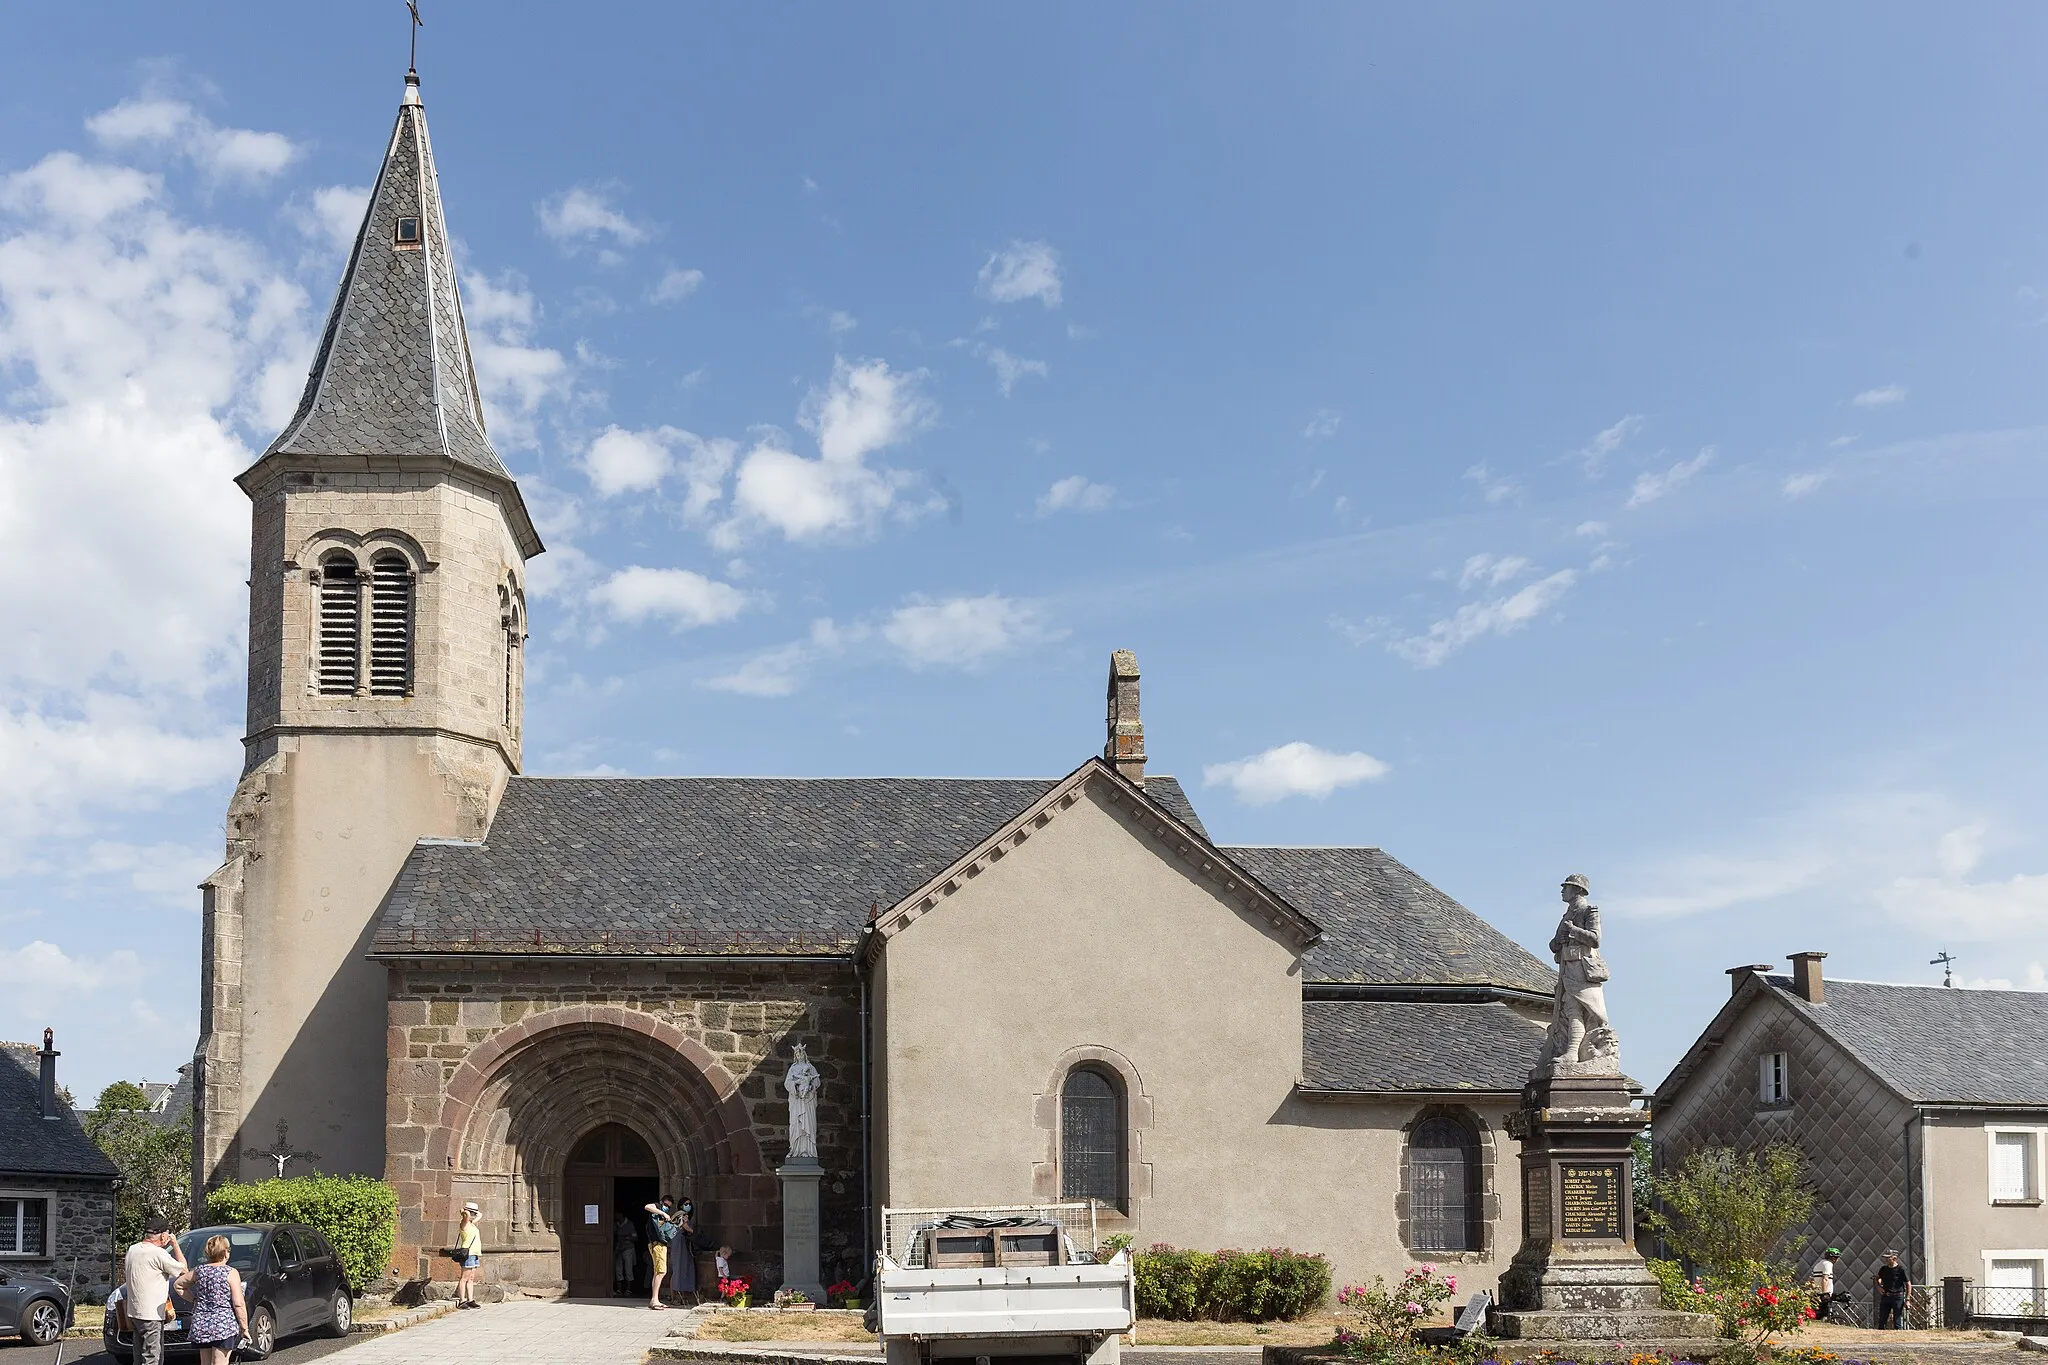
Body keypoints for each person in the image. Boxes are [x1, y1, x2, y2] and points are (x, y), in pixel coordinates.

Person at [174, 1234, 251, 1365]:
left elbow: (178, 1285)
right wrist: (245, 1329)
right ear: (225, 1252)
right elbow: (238, 1303)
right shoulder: (230, 1272)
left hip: (202, 1324)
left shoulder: (199, 1271)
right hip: (223, 1325)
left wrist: (194, 1299)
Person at [122, 1216, 188, 1365]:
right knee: (152, 1357)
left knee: (138, 1357)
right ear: (164, 1235)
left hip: (134, 1312)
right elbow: (184, 1269)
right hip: (151, 1315)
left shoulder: (133, 1249)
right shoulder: (158, 1253)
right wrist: (175, 1244)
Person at [645, 1197, 681, 1309]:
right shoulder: (657, 1207)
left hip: (660, 1245)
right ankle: (654, 1299)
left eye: (669, 1207)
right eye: (666, 1205)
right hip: (657, 1244)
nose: (667, 1208)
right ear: (662, 1202)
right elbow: (647, 1206)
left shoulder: (661, 1216)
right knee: (661, 1271)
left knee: (658, 1272)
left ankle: (655, 1299)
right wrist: (663, 1213)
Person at [455, 1202, 484, 1309]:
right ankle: (462, 1300)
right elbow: (466, 1216)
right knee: (464, 1277)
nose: (472, 1214)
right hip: (468, 1254)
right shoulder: (464, 1223)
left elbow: (480, 1215)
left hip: (475, 1253)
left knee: (471, 1278)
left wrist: (475, 1212)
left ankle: (470, 1299)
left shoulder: (471, 1224)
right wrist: (464, 1211)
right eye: (471, 1212)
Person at [670, 1195, 698, 1301]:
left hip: (684, 1244)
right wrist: (694, 1233)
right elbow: (686, 1227)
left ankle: (682, 1296)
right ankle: (675, 1297)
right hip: (679, 1243)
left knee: (685, 1268)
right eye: (686, 1204)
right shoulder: (681, 1215)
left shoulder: (686, 1216)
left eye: (689, 1204)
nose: (688, 1206)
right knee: (677, 1269)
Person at [1875, 1251, 1911, 1329]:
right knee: (1882, 1320)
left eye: (1888, 1258)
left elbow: (1908, 1284)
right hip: (1886, 1296)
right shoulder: (1883, 1269)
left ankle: (1898, 1337)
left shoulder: (1901, 1269)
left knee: (1897, 1320)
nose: (1886, 1260)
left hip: (1898, 1296)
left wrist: (1907, 1299)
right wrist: (1878, 1287)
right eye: (1885, 1258)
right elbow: (1877, 1278)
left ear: (1894, 1258)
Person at [1808, 1247, 1840, 1321]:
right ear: (1833, 1258)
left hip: (1816, 1293)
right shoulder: (1828, 1264)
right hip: (1823, 1293)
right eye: (1837, 1257)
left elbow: (1810, 1279)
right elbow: (1825, 1278)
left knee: (1818, 1314)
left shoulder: (1819, 1264)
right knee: (1824, 1313)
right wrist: (1825, 1293)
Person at [613, 1212, 638, 1296]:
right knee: (618, 1269)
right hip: (618, 1249)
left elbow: (635, 1237)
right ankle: (619, 1290)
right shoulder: (615, 1224)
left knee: (628, 1269)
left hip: (628, 1249)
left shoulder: (629, 1224)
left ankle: (628, 1290)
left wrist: (625, 1238)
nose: (616, 1215)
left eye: (617, 1213)